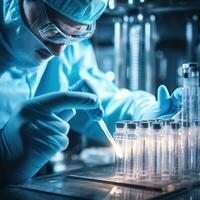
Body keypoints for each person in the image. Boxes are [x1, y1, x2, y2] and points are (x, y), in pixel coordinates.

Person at [0, 0, 181, 184]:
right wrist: (4, 159)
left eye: (73, 37)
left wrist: (142, 113)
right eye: (51, 30)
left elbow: (98, 102)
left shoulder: (68, 47)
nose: (58, 51)